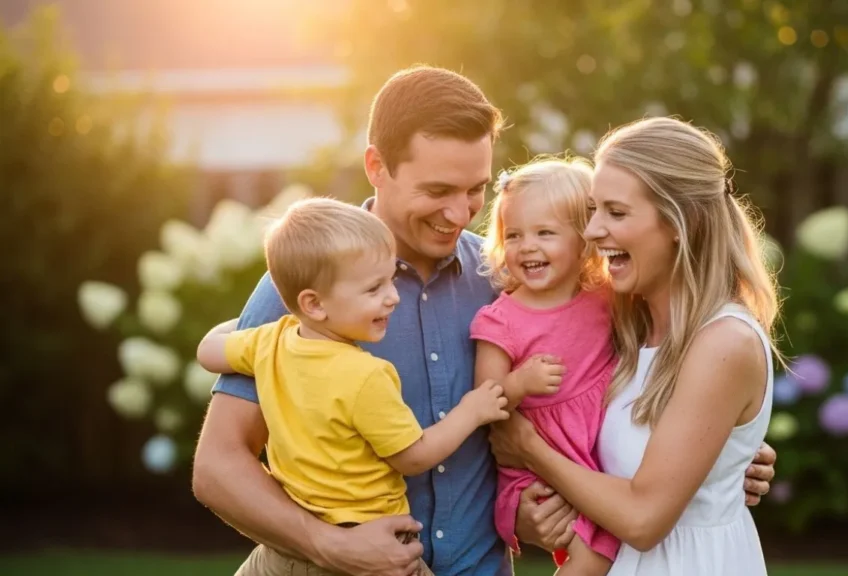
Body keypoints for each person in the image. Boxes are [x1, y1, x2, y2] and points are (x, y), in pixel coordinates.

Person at [190, 65, 778, 576]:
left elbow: (603, 390)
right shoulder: (312, 289)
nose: (458, 214)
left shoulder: (506, 283)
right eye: (438, 190)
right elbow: (218, 467)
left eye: (475, 190)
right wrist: (330, 545)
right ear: (376, 166)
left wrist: (718, 458)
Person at [488, 116, 780, 575]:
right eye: (593, 210)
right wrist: (527, 512)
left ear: (681, 221)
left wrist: (528, 447)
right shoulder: (622, 328)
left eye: (616, 213)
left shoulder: (724, 342)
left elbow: (643, 520)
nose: (592, 231)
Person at [194, 198, 510, 575]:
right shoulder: (366, 376)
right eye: (374, 289)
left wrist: (247, 323)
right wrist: (472, 410)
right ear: (314, 304)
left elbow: (208, 350)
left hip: (286, 557)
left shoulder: (270, 342)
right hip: (372, 550)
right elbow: (413, 456)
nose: (393, 297)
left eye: (391, 280)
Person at [470, 158, 619, 575]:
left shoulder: (606, 300)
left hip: (592, 458)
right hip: (534, 470)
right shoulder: (500, 320)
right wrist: (519, 383)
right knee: (593, 556)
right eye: (513, 234)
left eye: (545, 233)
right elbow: (484, 400)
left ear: (583, 240)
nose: (527, 246)